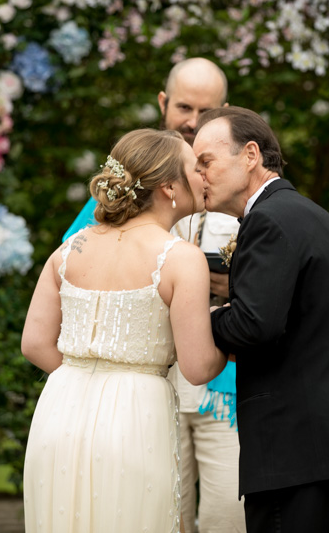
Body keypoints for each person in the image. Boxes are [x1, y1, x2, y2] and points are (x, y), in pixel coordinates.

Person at [62, 57, 245, 533]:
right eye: (184, 106)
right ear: (163, 103)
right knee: (157, 518)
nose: (191, 121)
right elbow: (74, 268)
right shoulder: (128, 184)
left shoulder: (243, 183)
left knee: (230, 517)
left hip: (225, 390)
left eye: (205, 112)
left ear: (223, 111)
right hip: (143, 391)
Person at [192, 106, 329, 533]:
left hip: (295, 450)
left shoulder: (266, 221)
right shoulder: (313, 217)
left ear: (250, 155)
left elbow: (254, 326)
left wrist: (203, 318)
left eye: (206, 162)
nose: (199, 176)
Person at [21, 128, 227, 532]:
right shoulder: (181, 259)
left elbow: (33, 344)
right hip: (135, 418)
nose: (203, 177)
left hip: (57, 413)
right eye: (194, 168)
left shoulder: (69, 250)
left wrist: (86, 379)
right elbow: (198, 367)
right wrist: (236, 327)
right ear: (169, 186)